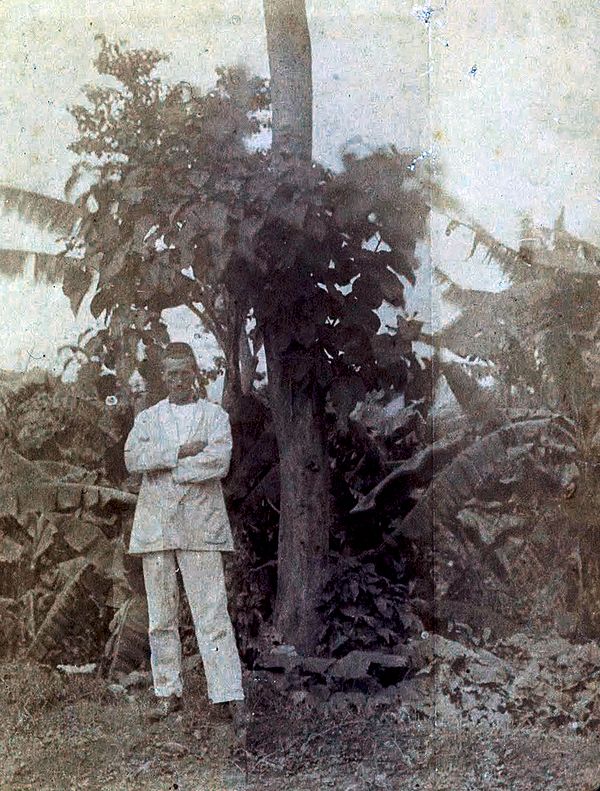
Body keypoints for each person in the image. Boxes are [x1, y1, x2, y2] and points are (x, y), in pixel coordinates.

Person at [124, 342, 245, 732]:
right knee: (161, 616)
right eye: (171, 373)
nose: (179, 379)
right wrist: (179, 451)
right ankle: (167, 692)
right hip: (157, 525)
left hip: (200, 525)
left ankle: (227, 695)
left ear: (195, 371)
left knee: (211, 612)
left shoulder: (214, 416)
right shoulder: (148, 419)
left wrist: (171, 470)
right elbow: (133, 459)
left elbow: (218, 462)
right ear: (163, 376)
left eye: (185, 371)